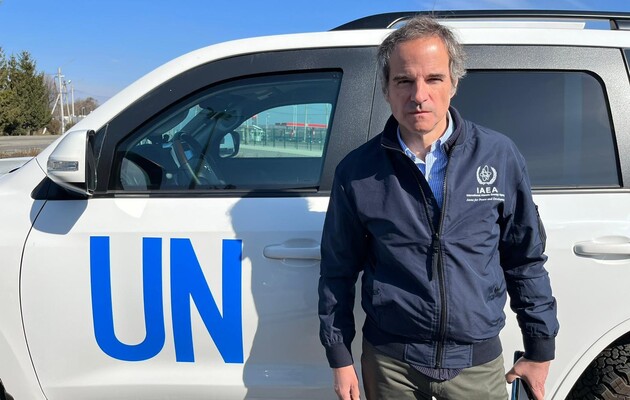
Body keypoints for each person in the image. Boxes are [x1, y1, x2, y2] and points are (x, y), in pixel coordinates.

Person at [318, 15, 559, 400]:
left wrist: (540, 347)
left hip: (477, 363)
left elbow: (524, 258)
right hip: (390, 364)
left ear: (454, 82)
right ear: (386, 87)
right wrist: (339, 356)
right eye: (404, 80)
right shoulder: (357, 171)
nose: (419, 95)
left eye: (433, 79)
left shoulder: (498, 156)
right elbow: (338, 270)